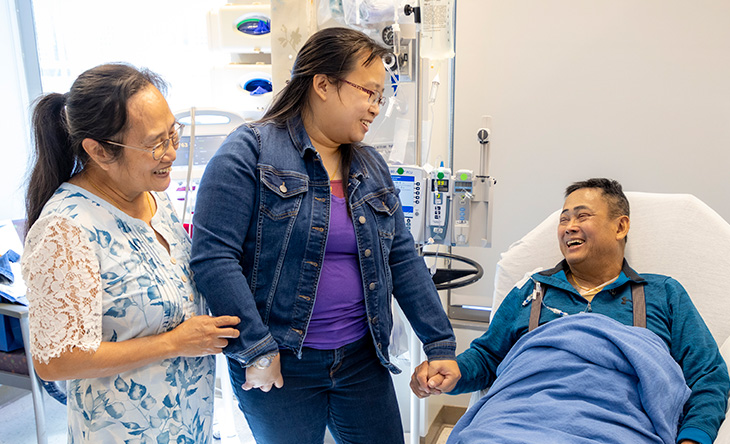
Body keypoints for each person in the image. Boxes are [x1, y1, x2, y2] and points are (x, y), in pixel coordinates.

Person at [190, 27, 459, 444]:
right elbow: (213, 258)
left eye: (380, 98)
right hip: (283, 361)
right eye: (368, 93)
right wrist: (257, 349)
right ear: (322, 84)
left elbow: (402, 259)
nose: (375, 108)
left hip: (361, 360)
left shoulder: (371, 166)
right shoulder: (249, 153)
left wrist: (439, 344)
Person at [411, 178, 729, 444]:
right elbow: (488, 357)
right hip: (512, 424)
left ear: (620, 226)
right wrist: (454, 371)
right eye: (564, 219)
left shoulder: (662, 293)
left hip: (618, 429)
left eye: (581, 216)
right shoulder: (532, 290)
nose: (568, 227)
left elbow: (709, 376)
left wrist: (693, 438)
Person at [21, 63, 241, 443]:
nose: (172, 152)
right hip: (121, 430)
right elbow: (56, 361)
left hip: (186, 423)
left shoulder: (154, 198)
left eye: (174, 133)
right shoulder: (66, 229)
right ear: (98, 150)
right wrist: (174, 343)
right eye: (157, 142)